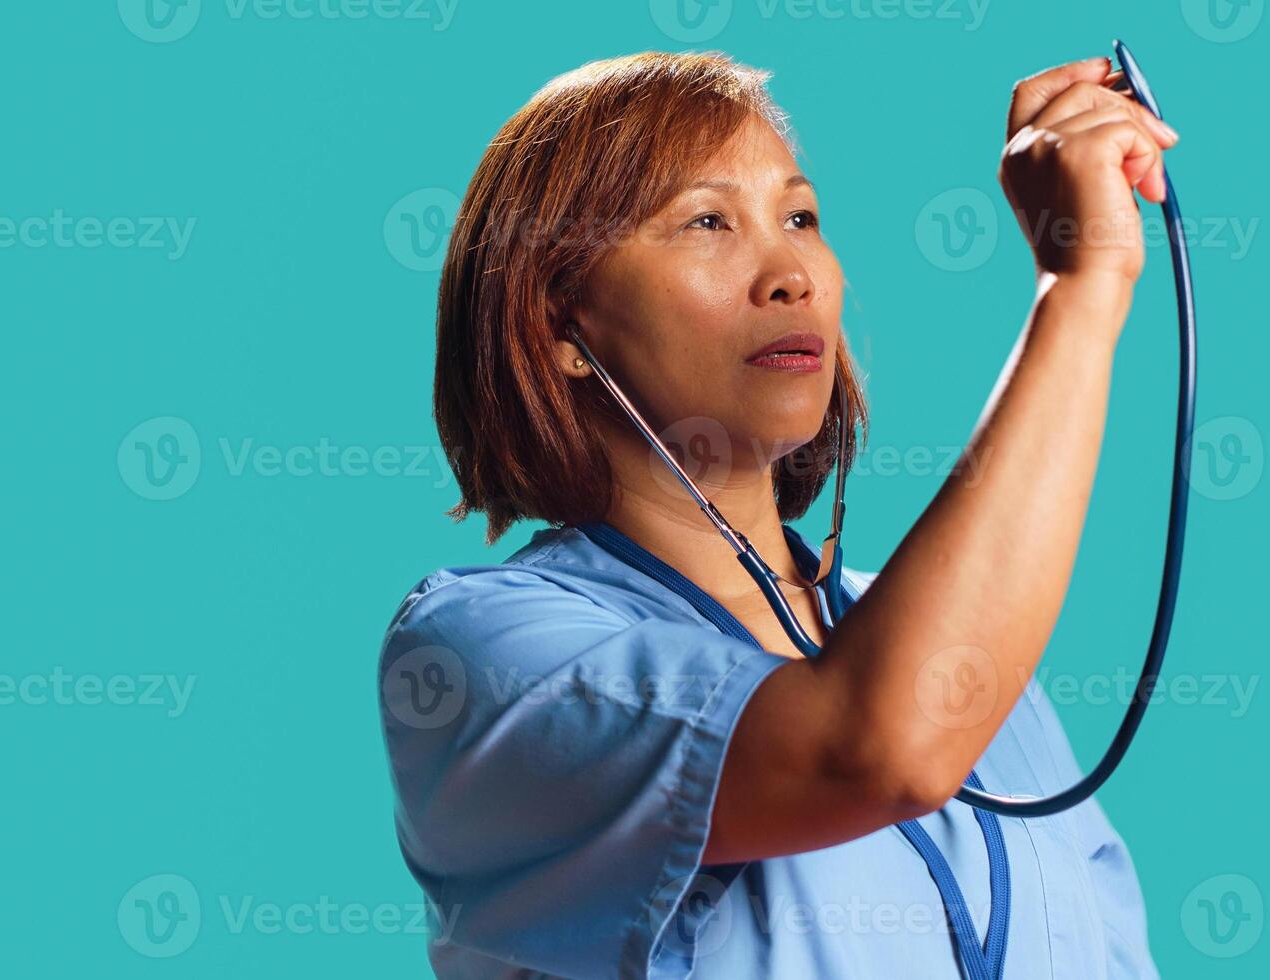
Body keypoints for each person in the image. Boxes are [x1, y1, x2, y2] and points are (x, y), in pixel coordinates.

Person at [379, 50, 1175, 979]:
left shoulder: (990, 673)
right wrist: (1081, 289)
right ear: (562, 327)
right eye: (707, 221)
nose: (790, 273)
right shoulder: (485, 657)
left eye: (801, 216)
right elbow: (877, 747)